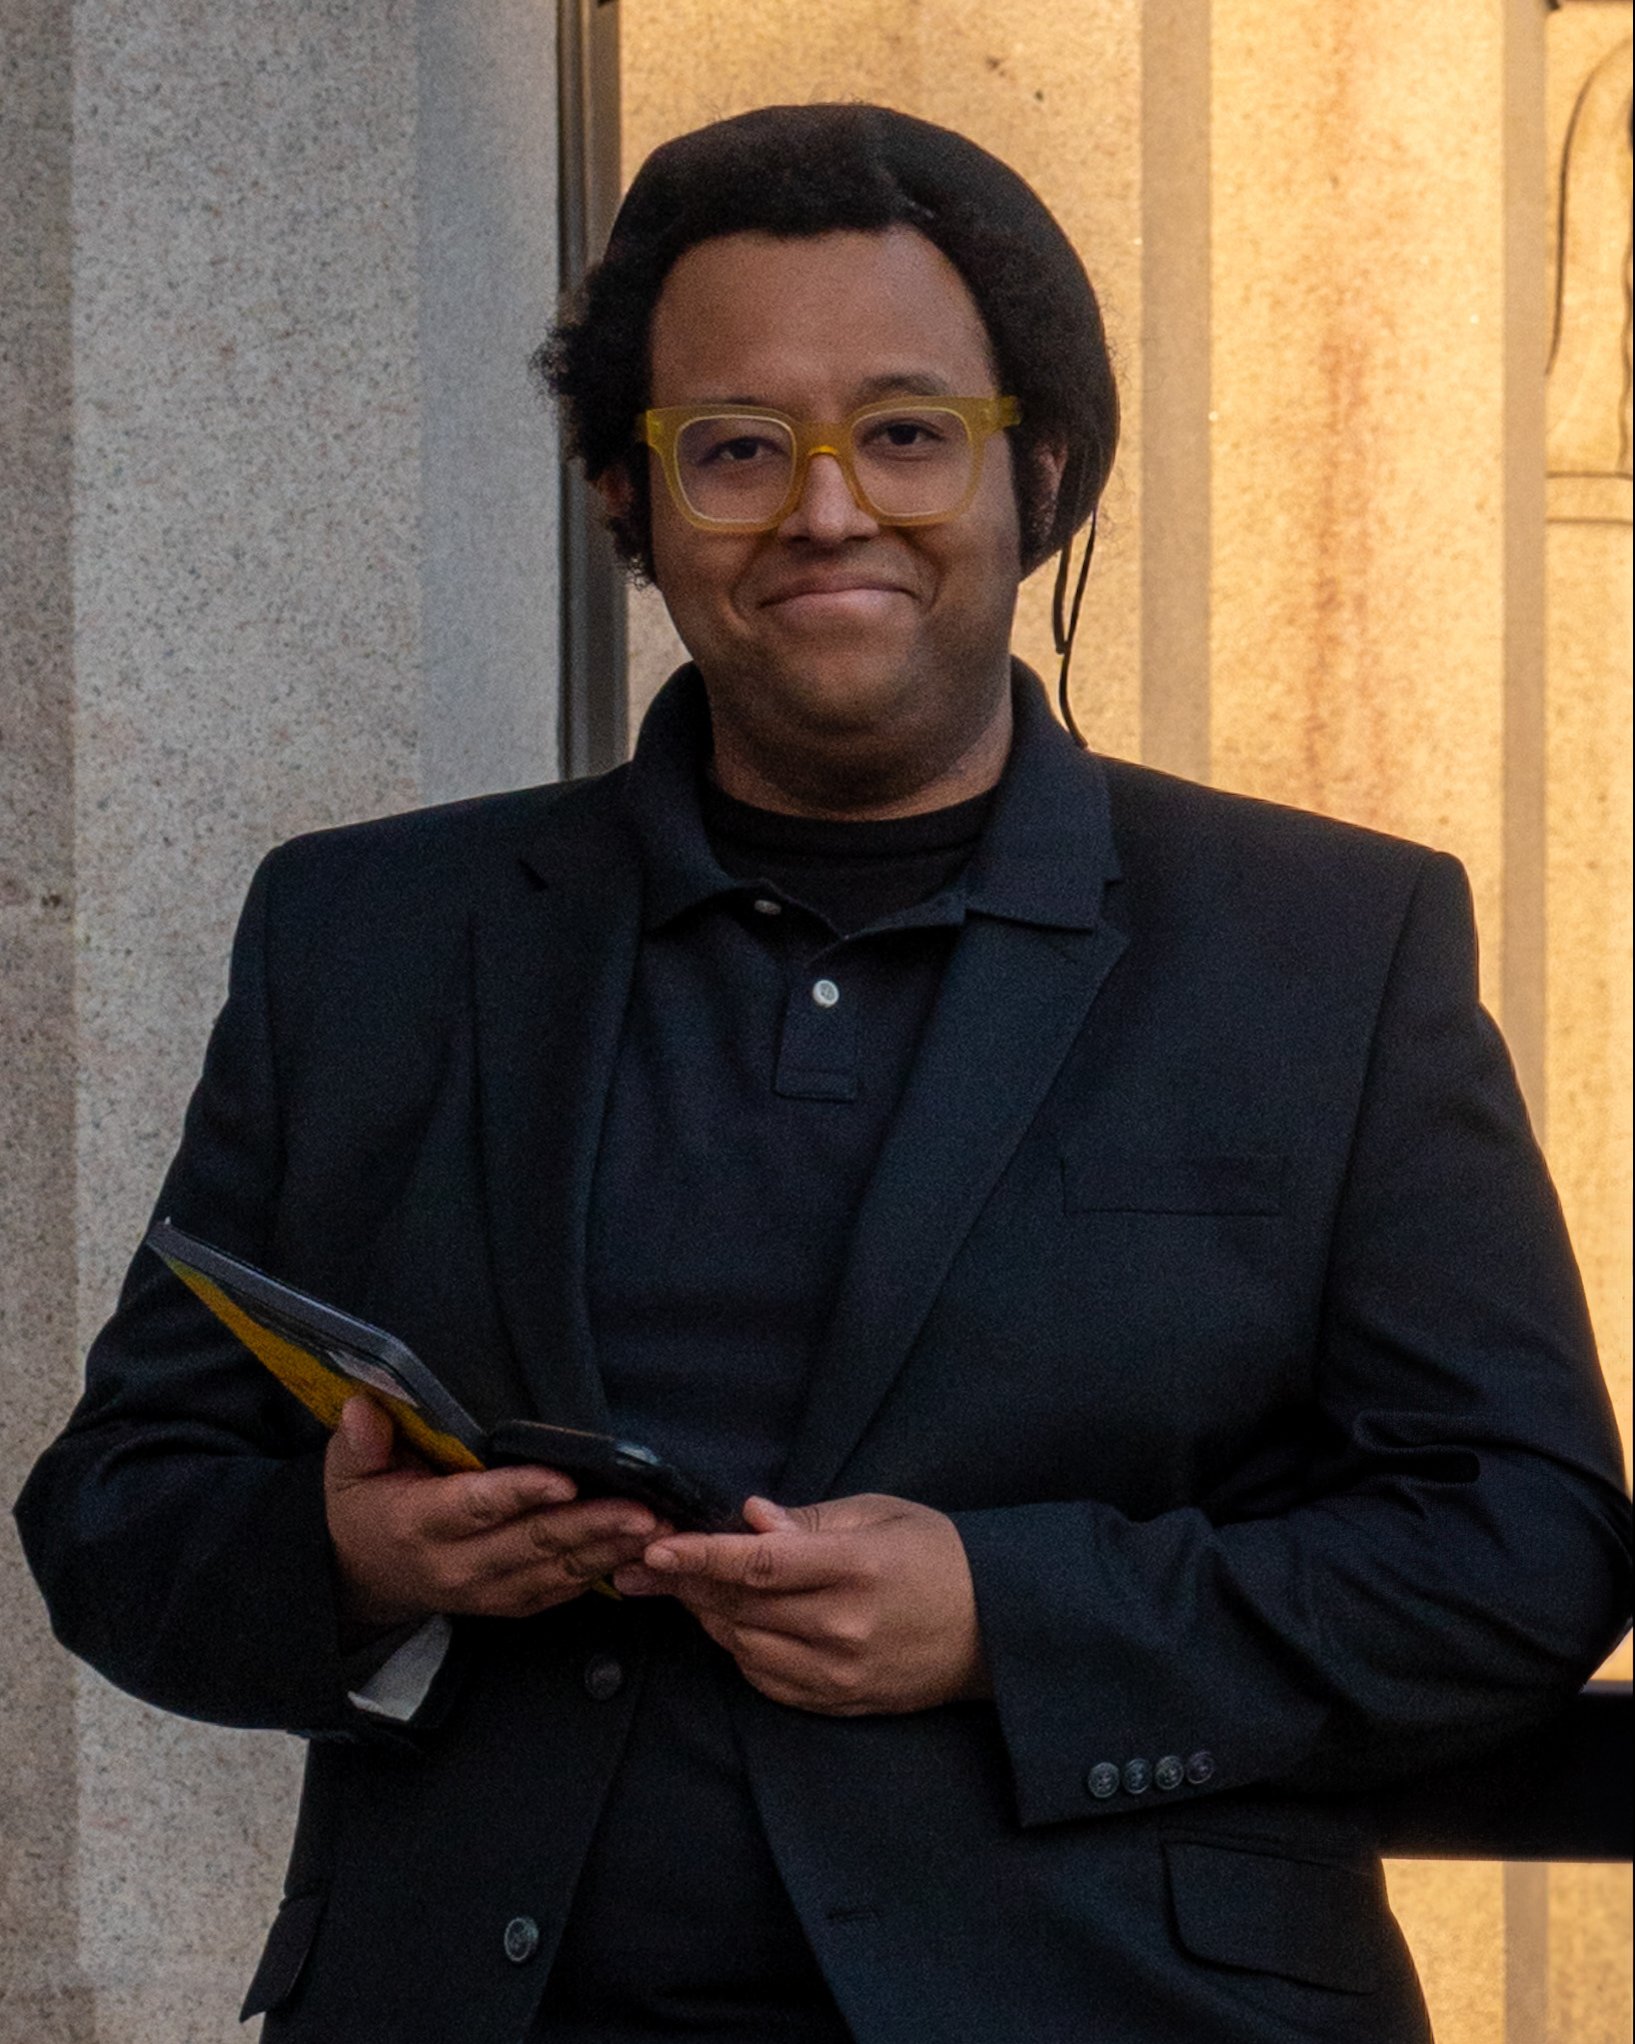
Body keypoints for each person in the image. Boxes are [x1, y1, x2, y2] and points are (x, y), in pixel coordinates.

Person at [16, 102, 1631, 2044]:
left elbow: (1518, 1549)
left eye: (903, 430)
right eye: (731, 447)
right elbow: (116, 1507)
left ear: (1040, 470)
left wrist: (1008, 1617)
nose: (824, 506)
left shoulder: (1319, 946)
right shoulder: (363, 931)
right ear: (626, 504)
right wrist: (347, 1557)